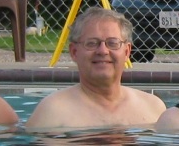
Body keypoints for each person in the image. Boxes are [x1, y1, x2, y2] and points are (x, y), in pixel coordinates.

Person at [25, 7, 166, 129]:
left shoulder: (153, 108)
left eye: (112, 43)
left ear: (127, 52)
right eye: (92, 43)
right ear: (74, 52)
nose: (103, 51)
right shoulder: (52, 113)